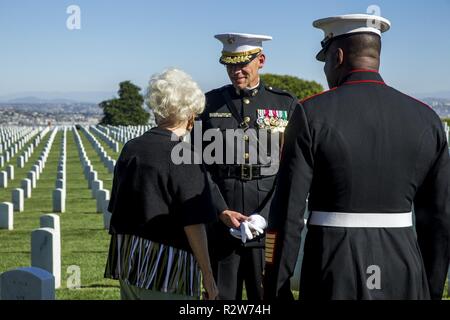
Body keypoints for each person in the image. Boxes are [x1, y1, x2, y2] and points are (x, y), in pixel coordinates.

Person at [264, 14, 450, 300]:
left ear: (337, 56)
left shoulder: (311, 113)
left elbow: (287, 214)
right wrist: (431, 288)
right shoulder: (426, 118)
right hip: (404, 272)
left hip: (333, 268)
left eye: (325, 60)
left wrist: (276, 286)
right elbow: (439, 220)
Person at [104, 68, 219, 300]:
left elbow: (115, 205)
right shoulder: (185, 156)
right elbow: (193, 224)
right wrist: (208, 275)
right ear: (190, 115)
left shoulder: (131, 148)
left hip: (129, 260)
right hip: (167, 271)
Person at [199, 33, 298, 300]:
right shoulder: (208, 104)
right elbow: (199, 165)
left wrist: (264, 215)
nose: (235, 71)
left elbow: (292, 168)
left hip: (268, 217)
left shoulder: (285, 104)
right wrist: (221, 211)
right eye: (230, 64)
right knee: (220, 296)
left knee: (267, 294)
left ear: (261, 61)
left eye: (242, 64)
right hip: (224, 218)